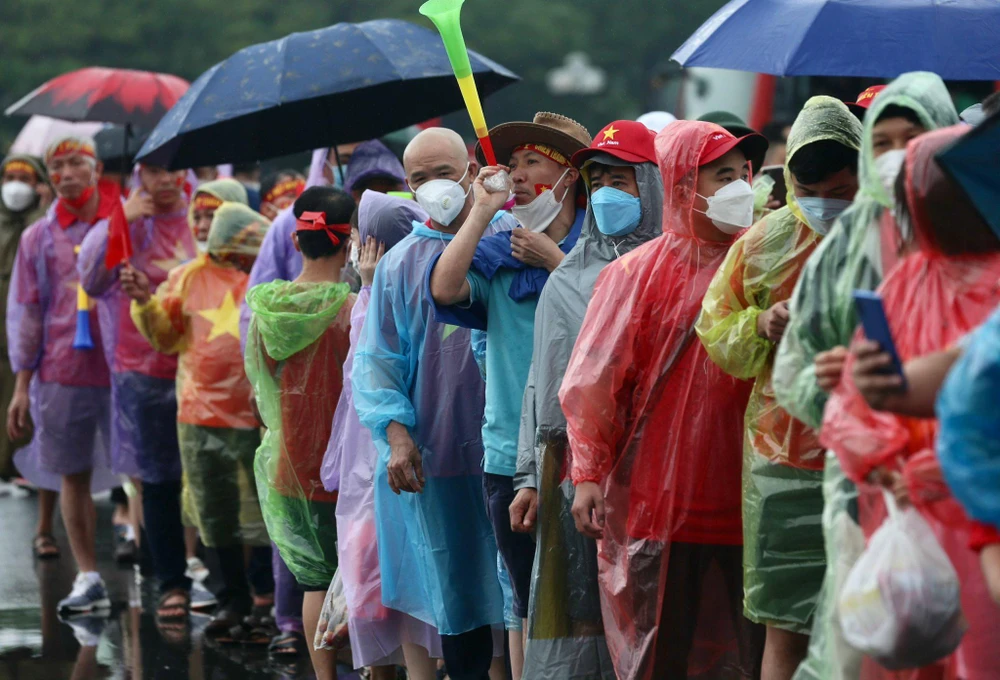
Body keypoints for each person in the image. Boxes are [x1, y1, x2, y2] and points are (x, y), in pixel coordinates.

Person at [560, 120, 768, 680]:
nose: (738, 188)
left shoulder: (768, 262)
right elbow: (594, 386)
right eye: (721, 176)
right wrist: (587, 474)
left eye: (741, 174)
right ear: (681, 187)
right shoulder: (636, 274)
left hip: (753, 496)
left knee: (758, 654)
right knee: (662, 652)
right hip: (659, 502)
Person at [770, 72, 958, 680]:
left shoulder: (976, 227)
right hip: (865, 486)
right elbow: (797, 365)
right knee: (865, 646)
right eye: (884, 141)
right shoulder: (851, 238)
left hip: (968, 481)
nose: (900, 154)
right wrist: (842, 395)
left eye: (916, 135)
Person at [821, 125, 1000, 679]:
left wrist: (940, 467)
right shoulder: (906, 282)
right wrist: (885, 458)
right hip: (914, 511)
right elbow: (862, 403)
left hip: (968, 509)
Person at [697, 96, 862, 680]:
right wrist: (761, 324)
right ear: (790, 179)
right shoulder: (762, 243)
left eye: (842, 192)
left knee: (865, 626)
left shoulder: (888, 237)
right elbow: (715, 330)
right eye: (813, 191)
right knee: (784, 625)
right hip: (781, 462)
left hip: (871, 456)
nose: (827, 206)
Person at [428, 113, 590, 672]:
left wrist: (557, 263)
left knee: (586, 606)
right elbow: (446, 287)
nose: (517, 175)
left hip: (587, 452)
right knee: (526, 602)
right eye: (512, 164)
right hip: (507, 455)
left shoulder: (605, 253)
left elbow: (615, 328)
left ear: (570, 175)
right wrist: (480, 212)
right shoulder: (500, 256)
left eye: (532, 163)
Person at [352, 127, 507, 680]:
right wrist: (397, 436)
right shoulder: (400, 265)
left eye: (444, 172)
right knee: (457, 598)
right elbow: (378, 363)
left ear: (471, 167)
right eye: (418, 179)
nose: (433, 186)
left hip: (509, 457)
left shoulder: (511, 239)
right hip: (437, 458)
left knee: (519, 606)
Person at [511, 120, 663, 680]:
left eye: (620, 180)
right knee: (583, 616)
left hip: (658, 474)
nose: (606, 195)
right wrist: (529, 476)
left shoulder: (678, 269)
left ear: (651, 187)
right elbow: (541, 383)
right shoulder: (567, 278)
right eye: (596, 181)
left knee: (651, 615)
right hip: (577, 480)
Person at [121, 202, 271, 634]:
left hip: (257, 412)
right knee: (215, 512)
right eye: (199, 216)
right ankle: (232, 599)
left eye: (215, 215)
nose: (207, 226)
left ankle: (265, 591)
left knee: (264, 507)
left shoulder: (264, 271)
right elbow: (165, 338)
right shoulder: (187, 276)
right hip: (199, 414)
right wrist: (143, 301)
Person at [77, 161, 212, 623]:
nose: (165, 180)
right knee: (156, 479)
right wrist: (122, 219)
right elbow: (91, 280)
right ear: (141, 175)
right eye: (155, 171)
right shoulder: (126, 218)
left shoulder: (204, 212)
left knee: (205, 470)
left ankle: (222, 579)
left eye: (174, 169)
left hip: (201, 362)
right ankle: (171, 581)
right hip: (140, 366)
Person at [320, 190, 442, 680]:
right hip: (397, 465)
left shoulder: (379, 299)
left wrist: (370, 288)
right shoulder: (404, 288)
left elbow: (373, 373)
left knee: (406, 591)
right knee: (416, 590)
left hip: (386, 470)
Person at [244, 187, 354, 680]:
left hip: (290, 460)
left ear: (294, 239)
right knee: (359, 576)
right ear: (350, 243)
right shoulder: (352, 309)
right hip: (347, 464)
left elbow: (260, 386)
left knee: (315, 582)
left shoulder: (267, 310)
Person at [6, 136, 114, 612]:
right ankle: (88, 574)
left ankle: (170, 569)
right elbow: (27, 310)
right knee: (72, 472)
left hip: (120, 367)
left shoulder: (121, 225)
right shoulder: (37, 237)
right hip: (61, 368)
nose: (66, 174)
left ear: (97, 169)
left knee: (145, 472)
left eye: (76, 164)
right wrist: (22, 383)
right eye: (57, 167)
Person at [0, 153, 57, 554]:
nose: (15, 184)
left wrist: (44, 205)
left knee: (23, 405)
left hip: (27, 340)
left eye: (25, 177)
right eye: (9, 177)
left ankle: (20, 468)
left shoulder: (41, 228)